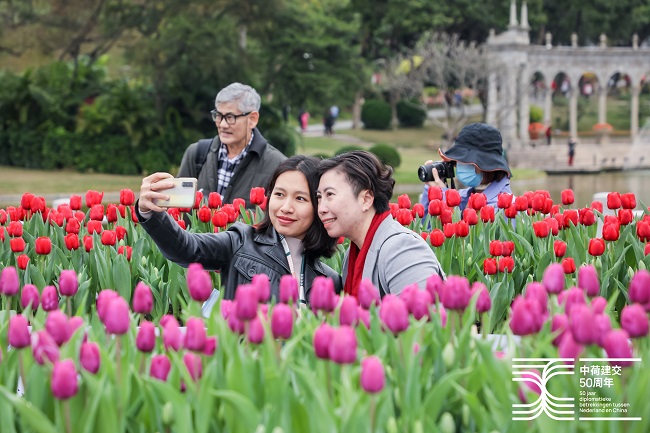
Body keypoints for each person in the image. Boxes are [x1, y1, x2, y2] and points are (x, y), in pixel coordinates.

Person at [137, 155, 342, 304]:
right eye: (279, 194)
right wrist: (149, 212)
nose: (286, 207)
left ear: (319, 206)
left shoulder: (328, 280)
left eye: (300, 198)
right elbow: (186, 248)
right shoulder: (241, 242)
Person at [317, 151, 445, 297]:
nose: (321, 209)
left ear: (366, 199)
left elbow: (421, 310)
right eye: (319, 197)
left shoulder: (402, 250)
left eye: (330, 195)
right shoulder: (353, 254)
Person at [177, 82, 286, 208]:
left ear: (252, 119)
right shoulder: (197, 154)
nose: (222, 124)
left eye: (230, 117)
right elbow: (178, 207)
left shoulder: (277, 165)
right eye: (218, 116)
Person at [419, 123, 513, 212]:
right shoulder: (464, 196)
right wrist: (432, 190)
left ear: (488, 165)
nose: (460, 164)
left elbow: (464, 223)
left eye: (468, 161)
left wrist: (445, 198)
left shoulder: (506, 205)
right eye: (458, 159)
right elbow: (425, 223)